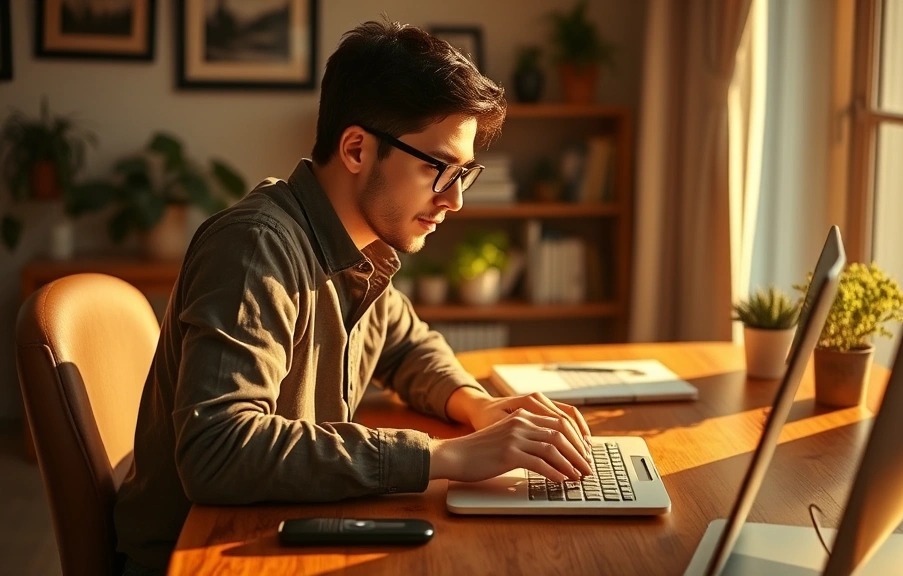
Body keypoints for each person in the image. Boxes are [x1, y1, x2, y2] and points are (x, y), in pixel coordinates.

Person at [114, 19, 595, 576]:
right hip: (201, 557)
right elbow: (219, 449)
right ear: (356, 149)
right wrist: (443, 456)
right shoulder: (255, 247)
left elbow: (408, 347)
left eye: (466, 174)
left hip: (279, 533)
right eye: (438, 169)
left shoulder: (358, 247)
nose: (456, 200)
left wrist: (476, 405)